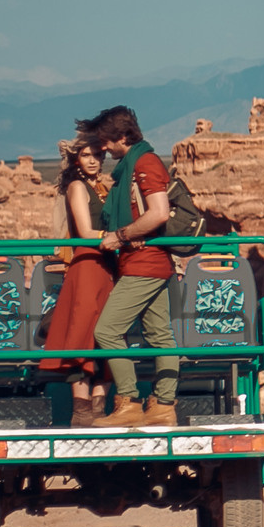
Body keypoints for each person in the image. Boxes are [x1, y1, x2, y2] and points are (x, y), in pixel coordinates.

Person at [82, 106, 180, 423]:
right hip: (145, 263)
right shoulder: (132, 165)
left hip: (144, 264)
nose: (104, 149)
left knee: (107, 330)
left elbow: (158, 212)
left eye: (107, 142)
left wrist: (120, 236)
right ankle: (163, 406)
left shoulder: (144, 164)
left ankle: (129, 403)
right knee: (159, 335)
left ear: (123, 137)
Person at [36, 141, 118, 421]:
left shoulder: (105, 189)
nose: (93, 160)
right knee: (82, 335)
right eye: (86, 155)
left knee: (107, 337)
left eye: (97, 154)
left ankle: (98, 409)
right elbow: (84, 231)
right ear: (76, 160)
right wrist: (122, 235)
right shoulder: (77, 187)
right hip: (86, 268)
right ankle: (81, 411)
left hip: (108, 267)